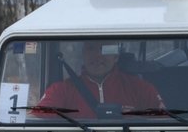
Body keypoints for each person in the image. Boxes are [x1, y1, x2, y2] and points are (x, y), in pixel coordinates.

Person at [33, 41, 164, 118]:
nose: (98, 55)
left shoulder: (140, 88)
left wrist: (136, 117)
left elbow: (164, 123)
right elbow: (37, 121)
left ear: (116, 56)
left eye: (105, 49)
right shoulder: (61, 90)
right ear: (83, 55)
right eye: (91, 49)